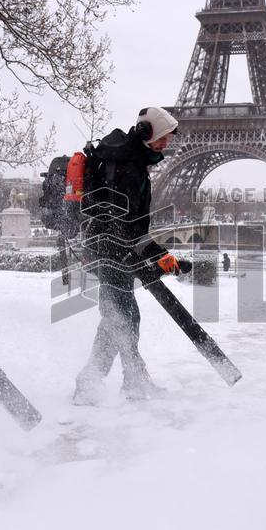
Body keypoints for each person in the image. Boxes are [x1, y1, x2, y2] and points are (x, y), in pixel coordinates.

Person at [73, 106, 183, 406]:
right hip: (110, 251)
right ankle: (114, 382)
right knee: (122, 317)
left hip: (113, 250)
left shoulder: (127, 159)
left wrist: (154, 254)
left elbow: (129, 223)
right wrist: (157, 254)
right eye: (162, 137)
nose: (166, 144)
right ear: (147, 133)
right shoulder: (125, 165)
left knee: (119, 317)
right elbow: (123, 223)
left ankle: (111, 381)